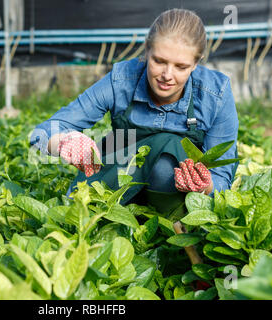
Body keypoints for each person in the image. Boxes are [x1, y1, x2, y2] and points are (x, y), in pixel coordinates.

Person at [30, 9, 239, 214]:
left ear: (196, 63)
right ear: (147, 50)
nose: (167, 75)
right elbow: (40, 135)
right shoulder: (122, 80)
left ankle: (169, 226)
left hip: (173, 191)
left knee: (167, 159)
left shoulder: (215, 94)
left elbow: (221, 178)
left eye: (181, 67)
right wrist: (64, 141)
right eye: (159, 61)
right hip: (120, 180)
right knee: (81, 216)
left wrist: (205, 186)